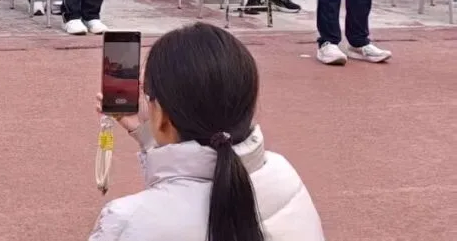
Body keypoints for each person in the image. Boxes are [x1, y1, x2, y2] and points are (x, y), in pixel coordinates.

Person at [91, 22, 324, 241]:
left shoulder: (126, 219)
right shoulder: (284, 173)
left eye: (148, 96)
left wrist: (155, 131)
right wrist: (152, 131)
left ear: (161, 115)